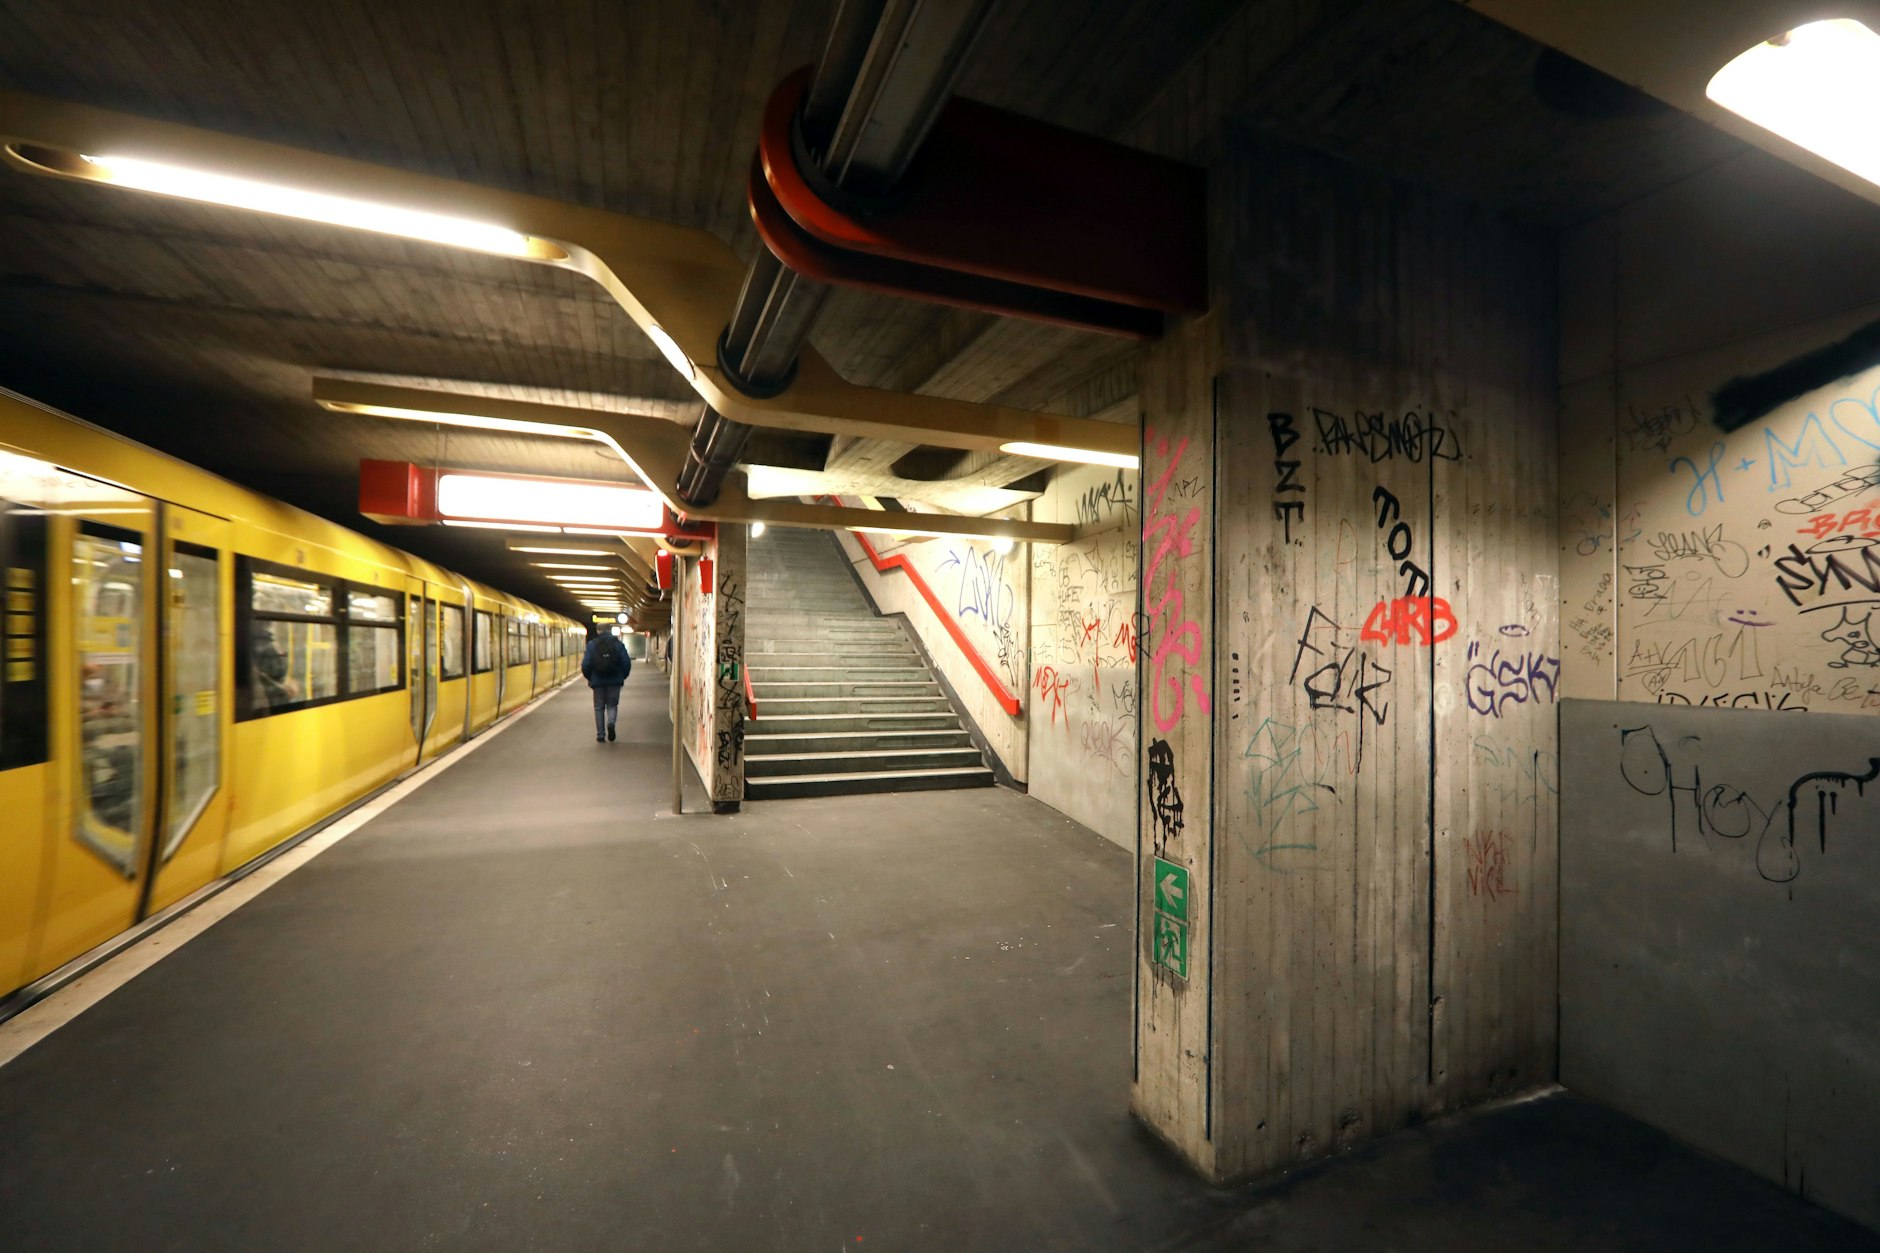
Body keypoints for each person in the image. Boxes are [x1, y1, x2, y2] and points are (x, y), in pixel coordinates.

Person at [582, 626, 631, 742]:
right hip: (614, 681)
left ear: (598, 631)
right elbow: (626, 663)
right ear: (610, 630)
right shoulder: (618, 644)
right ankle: (611, 723)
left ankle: (600, 734)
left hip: (598, 681)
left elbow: (585, 665)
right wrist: (621, 677)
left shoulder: (592, 645)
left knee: (598, 708)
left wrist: (591, 678)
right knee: (612, 705)